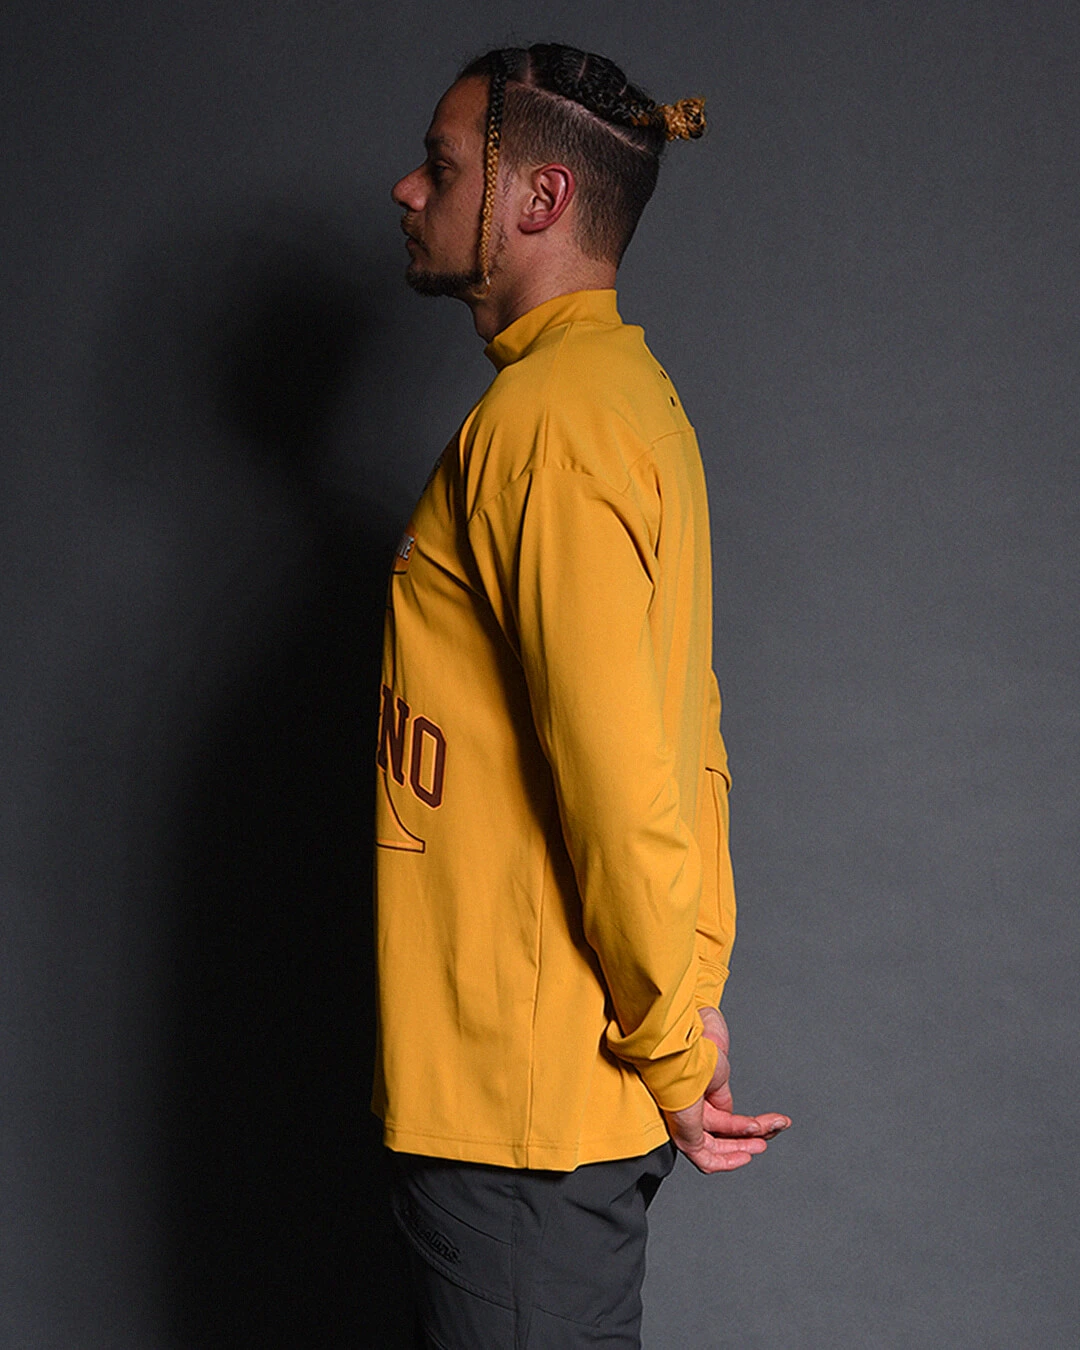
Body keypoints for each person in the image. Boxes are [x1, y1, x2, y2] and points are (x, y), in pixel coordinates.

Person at [375, 42, 790, 1348]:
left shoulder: (550, 427)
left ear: (540, 197)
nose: (408, 190)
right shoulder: (622, 401)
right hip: (540, 1107)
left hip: (521, 1122)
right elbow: (687, 738)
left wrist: (671, 1037)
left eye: (442, 166)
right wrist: (690, 991)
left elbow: (618, 779)